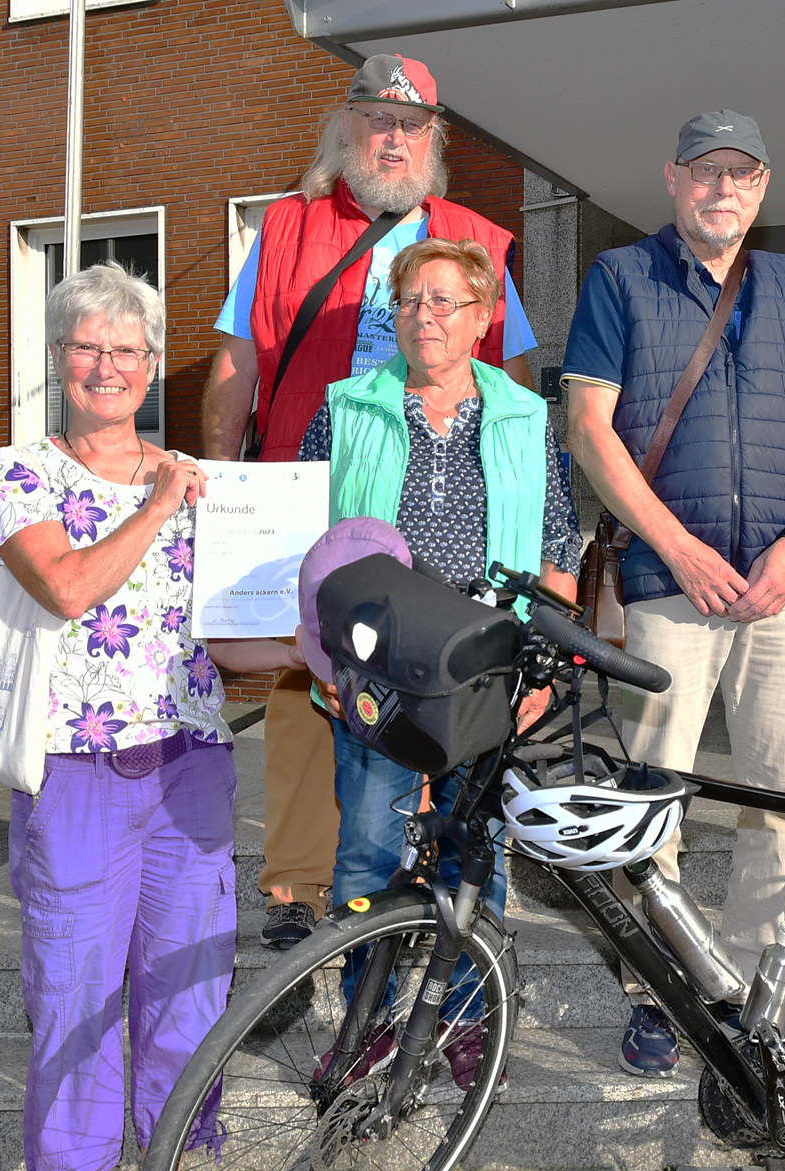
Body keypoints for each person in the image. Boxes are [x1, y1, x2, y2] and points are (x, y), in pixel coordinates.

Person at [0, 263, 299, 1171]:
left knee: (184, 992)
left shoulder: (199, 482)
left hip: (189, 765)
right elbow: (69, 586)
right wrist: (161, 502)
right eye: (87, 347)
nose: (106, 366)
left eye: (127, 350)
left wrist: (306, 650)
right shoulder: (22, 472)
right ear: (58, 358)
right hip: (75, 771)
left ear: (153, 365)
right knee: (72, 986)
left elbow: (224, 641)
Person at [199, 54, 539, 952]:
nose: (394, 139)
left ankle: (424, 889)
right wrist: (218, 493)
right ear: (346, 127)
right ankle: (295, 886)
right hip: (309, 485)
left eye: (412, 125)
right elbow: (236, 364)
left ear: (435, 140)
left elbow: (516, 382)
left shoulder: (480, 240)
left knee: (435, 680)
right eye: (378, 119)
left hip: (438, 489)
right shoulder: (286, 227)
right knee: (304, 682)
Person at [561, 110, 785, 1077]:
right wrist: (679, 549)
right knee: (655, 797)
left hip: (780, 591)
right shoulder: (620, 277)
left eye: (741, 171)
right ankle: (661, 991)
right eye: (705, 169)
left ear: (763, 187)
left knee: (776, 796)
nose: (722, 187)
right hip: (666, 583)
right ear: (672, 178)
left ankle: (757, 993)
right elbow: (589, 427)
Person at [298, 236, 579, 1083]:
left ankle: (464, 1017)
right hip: (378, 663)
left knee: (475, 850)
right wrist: (320, 655)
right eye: (410, 301)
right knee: (367, 850)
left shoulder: (525, 417)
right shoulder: (346, 407)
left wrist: (542, 666)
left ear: (483, 316)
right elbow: (304, 544)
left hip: (488, 663)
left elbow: (559, 546)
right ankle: (366, 1022)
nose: (424, 316)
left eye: (443, 301)